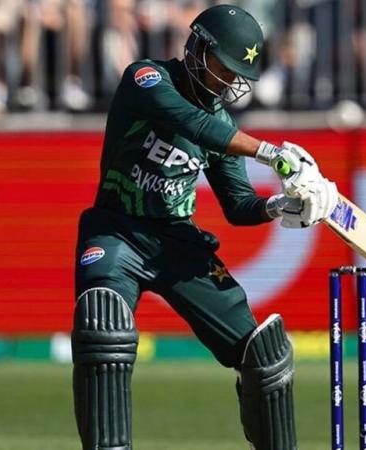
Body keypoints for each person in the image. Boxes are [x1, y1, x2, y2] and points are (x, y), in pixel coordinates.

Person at [72, 4, 338, 450]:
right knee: (104, 325)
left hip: (177, 242)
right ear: (197, 48)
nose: (226, 82)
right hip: (117, 229)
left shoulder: (222, 122)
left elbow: (237, 205)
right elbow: (190, 122)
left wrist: (278, 206)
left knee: (266, 357)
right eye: (221, 68)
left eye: (236, 76)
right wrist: (275, 155)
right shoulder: (147, 78)